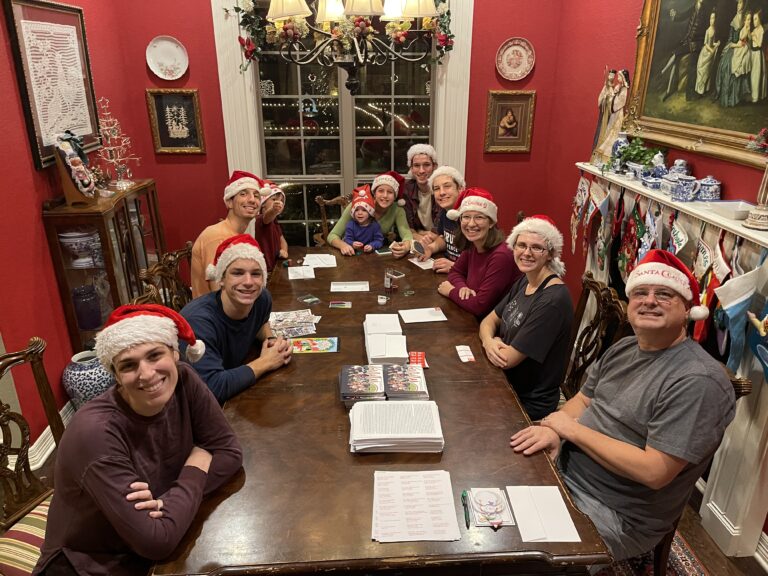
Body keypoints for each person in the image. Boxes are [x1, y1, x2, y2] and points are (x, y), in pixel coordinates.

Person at [510, 249, 736, 562]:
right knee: (484, 503)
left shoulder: (698, 381)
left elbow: (654, 471)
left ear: (688, 310)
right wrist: (553, 429)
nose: (650, 300)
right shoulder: (627, 346)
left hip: (615, 512)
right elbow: (584, 400)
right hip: (564, 467)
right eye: (640, 292)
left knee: (512, 559)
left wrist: (569, 430)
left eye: (665, 294)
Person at [33, 304, 243, 576]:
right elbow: (157, 541)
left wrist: (165, 503)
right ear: (116, 376)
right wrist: (197, 462)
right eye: (129, 365)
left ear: (175, 353)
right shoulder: (95, 432)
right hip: (86, 564)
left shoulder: (185, 381)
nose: (146, 374)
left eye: (155, 355)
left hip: (146, 549)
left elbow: (229, 453)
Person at [479, 215, 573, 421]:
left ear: (550, 254)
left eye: (537, 247)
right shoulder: (526, 280)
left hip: (526, 400)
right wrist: (489, 341)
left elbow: (507, 360)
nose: (527, 253)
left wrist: (494, 342)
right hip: (504, 382)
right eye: (521, 245)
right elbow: (488, 321)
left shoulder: (552, 300)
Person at [181, 234, 292, 403]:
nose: (248, 282)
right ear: (222, 279)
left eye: (256, 274)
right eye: (237, 273)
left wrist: (271, 340)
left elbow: (259, 322)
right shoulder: (198, 321)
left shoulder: (262, 299)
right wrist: (266, 362)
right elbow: (212, 388)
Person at [437, 188, 520, 317]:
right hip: (470, 316)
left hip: (492, 327)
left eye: (479, 217)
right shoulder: (473, 245)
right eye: (466, 217)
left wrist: (451, 291)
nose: (471, 224)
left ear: (491, 222)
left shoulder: (502, 256)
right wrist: (461, 288)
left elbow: (480, 306)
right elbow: (456, 271)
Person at [191, 170, 271, 298]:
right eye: (243, 194)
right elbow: (218, 292)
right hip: (213, 314)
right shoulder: (217, 236)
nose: (252, 200)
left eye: (256, 195)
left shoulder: (237, 235)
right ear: (229, 202)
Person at [327, 171, 413, 258]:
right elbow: (332, 235)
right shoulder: (358, 205)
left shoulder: (397, 210)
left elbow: (407, 235)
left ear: (395, 196)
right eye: (381, 191)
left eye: (390, 192)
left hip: (375, 257)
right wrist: (343, 245)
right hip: (351, 254)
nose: (385, 195)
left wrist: (406, 247)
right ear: (374, 193)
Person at [418, 166, 465, 274]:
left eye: (447, 186)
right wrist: (430, 248)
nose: (441, 192)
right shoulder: (445, 212)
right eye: (437, 188)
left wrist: (455, 267)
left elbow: (483, 259)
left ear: (460, 189)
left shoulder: (470, 216)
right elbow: (444, 238)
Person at [660, 0, 709, 101]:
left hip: (697, 44)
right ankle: (669, 90)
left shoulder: (705, 10)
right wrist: (674, 15)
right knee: (676, 58)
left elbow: (706, 29)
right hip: (687, 41)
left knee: (692, 66)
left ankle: (690, 95)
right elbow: (682, 16)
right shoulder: (694, 7)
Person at [401, 144, 441, 236]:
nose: (421, 170)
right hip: (420, 240)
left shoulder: (442, 189)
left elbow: (442, 230)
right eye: (416, 165)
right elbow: (409, 229)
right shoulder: (406, 191)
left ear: (434, 166)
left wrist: (420, 232)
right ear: (411, 168)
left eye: (426, 165)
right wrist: (419, 234)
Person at [714, 0, 747, 107]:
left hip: (742, 47)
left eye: (741, 3)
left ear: (744, 5)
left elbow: (745, 39)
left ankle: (732, 99)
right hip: (733, 45)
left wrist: (738, 45)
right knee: (723, 65)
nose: (738, 5)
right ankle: (722, 95)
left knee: (730, 67)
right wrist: (730, 45)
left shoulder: (746, 19)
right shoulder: (734, 19)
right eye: (738, 3)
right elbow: (730, 37)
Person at [594, 69, 630, 162]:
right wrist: (611, 96)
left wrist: (612, 97)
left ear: (623, 78)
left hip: (618, 113)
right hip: (613, 113)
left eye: (619, 76)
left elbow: (620, 102)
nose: (617, 78)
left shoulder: (624, 89)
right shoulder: (618, 86)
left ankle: (608, 153)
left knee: (614, 131)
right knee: (609, 130)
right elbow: (612, 96)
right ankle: (602, 154)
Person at [252, 181, 288, 272]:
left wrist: (284, 251)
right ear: (263, 203)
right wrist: (273, 210)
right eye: (274, 199)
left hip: (276, 266)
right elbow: (267, 216)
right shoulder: (260, 219)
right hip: (266, 270)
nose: (278, 202)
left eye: (281, 201)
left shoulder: (275, 221)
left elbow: (282, 240)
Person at [343, 185, 384, 253]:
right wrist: (352, 243)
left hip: (370, 256)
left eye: (364, 210)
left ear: (370, 212)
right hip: (354, 254)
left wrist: (372, 246)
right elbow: (347, 239)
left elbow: (379, 241)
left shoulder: (375, 225)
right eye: (356, 210)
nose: (360, 213)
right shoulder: (350, 225)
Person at [695, 11, 720, 95]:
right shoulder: (707, 30)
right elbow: (706, 44)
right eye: (710, 18)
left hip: (710, 54)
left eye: (713, 18)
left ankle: (705, 89)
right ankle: (699, 91)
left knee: (707, 71)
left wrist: (716, 44)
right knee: (702, 70)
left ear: (715, 20)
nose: (711, 20)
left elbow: (712, 42)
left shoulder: (715, 30)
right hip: (705, 53)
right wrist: (712, 50)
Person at [592, 67, 616, 154]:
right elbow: (600, 100)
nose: (611, 77)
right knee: (600, 131)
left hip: (608, 115)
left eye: (613, 76)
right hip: (604, 114)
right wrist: (605, 99)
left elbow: (613, 102)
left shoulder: (612, 88)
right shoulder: (605, 87)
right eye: (610, 75)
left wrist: (610, 99)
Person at [750, 11, 766, 103]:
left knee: (757, 75)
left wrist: (754, 37)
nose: (754, 21)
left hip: (758, 55)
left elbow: (759, 44)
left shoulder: (761, 30)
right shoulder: (755, 30)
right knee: (752, 75)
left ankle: (756, 97)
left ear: (760, 19)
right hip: (753, 53)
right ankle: (752, 95)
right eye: (753, 19)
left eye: (756, 19)